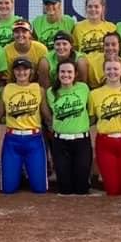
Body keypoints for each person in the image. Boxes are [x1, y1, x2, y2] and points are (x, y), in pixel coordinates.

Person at [88, 57, 121, 196]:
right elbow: (91, 119)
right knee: (112, 190)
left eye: (116, 69)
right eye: (108, 69)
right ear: (104, 71)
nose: (112, 72)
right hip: (105, 142)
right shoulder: (94, 94)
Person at [0, 57, 47, 193]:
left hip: (34, 139)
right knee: (8, 189)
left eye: (25, 69)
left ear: (31, 71)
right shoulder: (7, 89)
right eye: (18, 69)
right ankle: (18, 174)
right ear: (13, 72)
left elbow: (46, 114)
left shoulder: (38, 89)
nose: (21, 72)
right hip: (12, 139)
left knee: (39, 189)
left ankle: (26, 174)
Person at [42, 58, 93, 195]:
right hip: (60, 141)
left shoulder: (83, 88)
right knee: (65, 189)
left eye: (69, 72)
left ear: (75, 74)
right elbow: (49, 113)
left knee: (81, 188)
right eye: (62, 72)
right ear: (57, 74)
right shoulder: (51, 92)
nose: (66, 75)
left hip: (81, 140)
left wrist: (83, 124)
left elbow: (91, 111)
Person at [4, 20, 48, 84]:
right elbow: (8, 78)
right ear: (13, 34)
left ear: (30, 34)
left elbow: (45, 74)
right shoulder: (6, 50)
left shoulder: (41, 48)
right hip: (15, 83)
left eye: (24, 31)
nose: (20, 35)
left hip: (37, 83)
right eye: (17, 32)